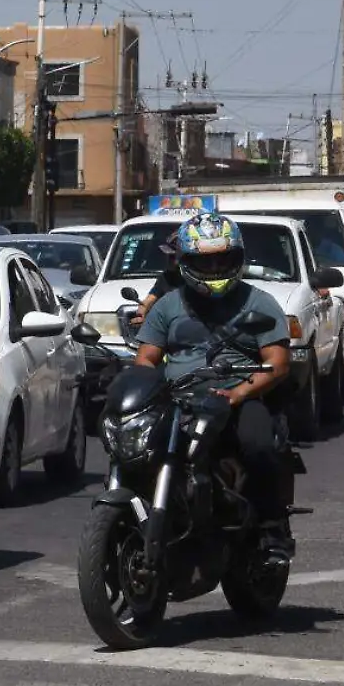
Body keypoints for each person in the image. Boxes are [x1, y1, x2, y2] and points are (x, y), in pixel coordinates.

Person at [134, 212, 294, 563]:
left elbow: (278, 363)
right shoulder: (167, 305)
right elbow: (145, 358)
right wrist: (151, 389)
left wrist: (238, 393)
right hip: (178, 400)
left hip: (237, 398)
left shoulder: (259, 302)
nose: (216, 267)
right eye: (205, 261)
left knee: (258, 444)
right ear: (186, 262)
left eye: (224, 258)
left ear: (238, 258)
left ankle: (271, 529)